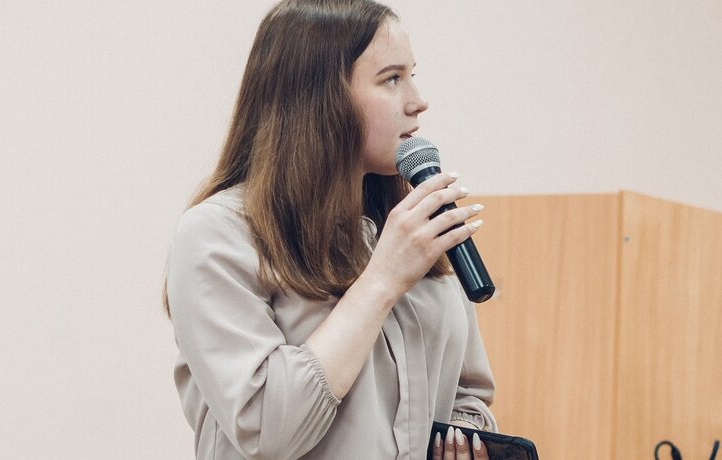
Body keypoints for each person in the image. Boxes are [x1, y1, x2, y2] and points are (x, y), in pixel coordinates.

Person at [164, 0, 497, 458]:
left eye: (412, 75)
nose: (418, 101)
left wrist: (465, 432)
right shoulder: (217, 235)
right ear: (320, 98)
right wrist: (381, 280)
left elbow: (469, 393)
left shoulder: (410, 229)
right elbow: (266, 430)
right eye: (392, 79)